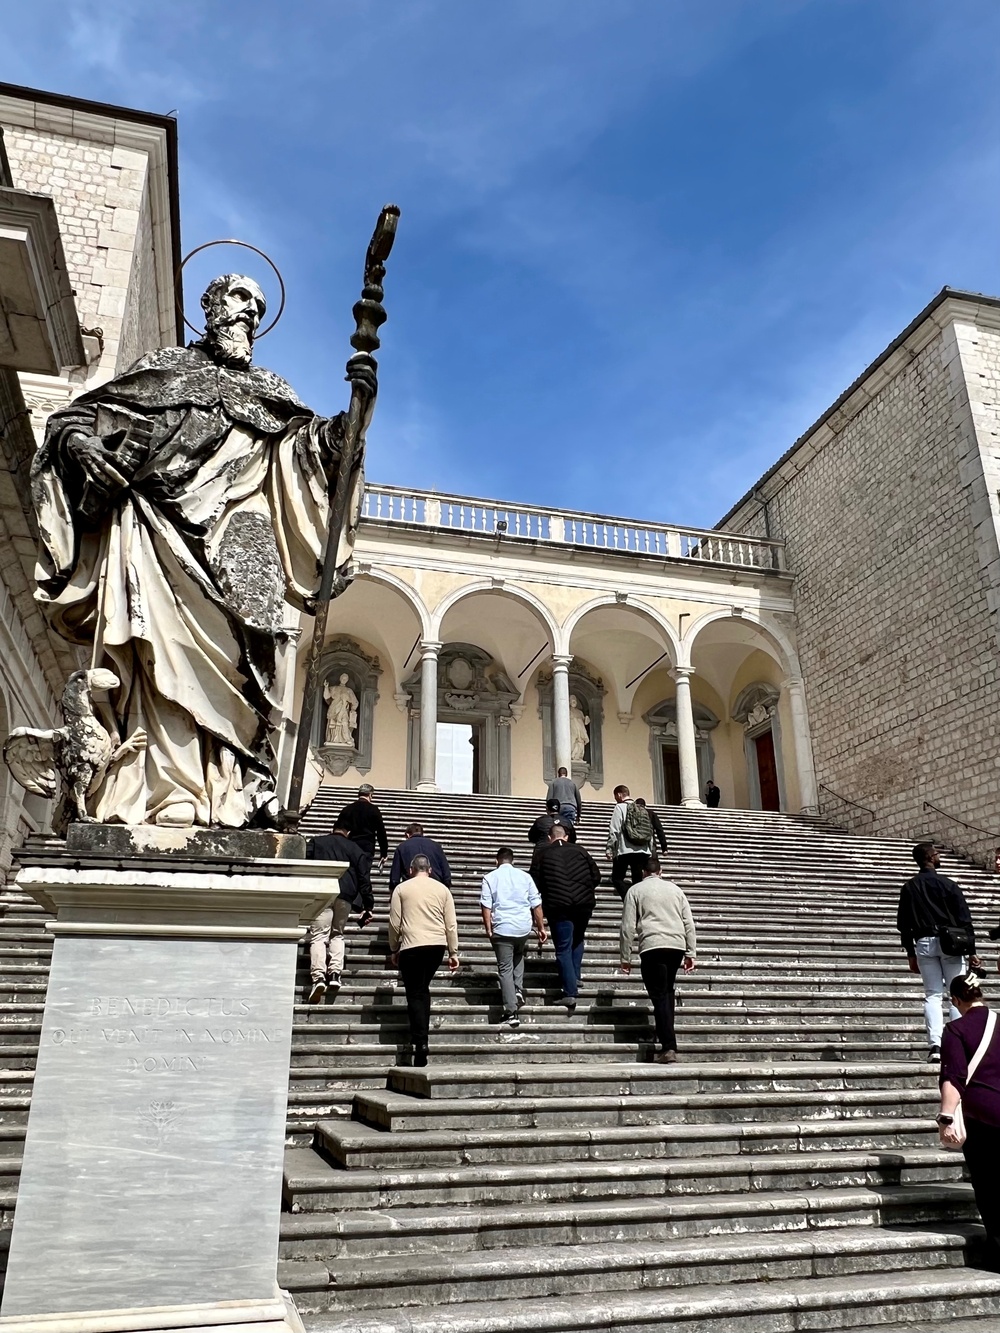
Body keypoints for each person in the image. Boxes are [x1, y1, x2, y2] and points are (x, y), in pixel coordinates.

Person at [29, 273, 373, 828]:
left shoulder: (272, 392)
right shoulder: (166, 369)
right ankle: (170, 789)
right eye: (238, 298)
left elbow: (310, 454)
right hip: (160, 532)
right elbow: (74, 419)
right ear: (210, 304)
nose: (248, 312)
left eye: (258, 305)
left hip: (244, 549)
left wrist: (350, 423)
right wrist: (81, 444)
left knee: (256, 669)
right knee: (161, 662)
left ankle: (236, 793)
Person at [897, 842, 982, 1061]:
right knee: (958, 993)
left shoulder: (909, 887)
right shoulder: (948, 884)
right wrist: (972, 950)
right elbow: (964, 919)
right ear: (931, 857)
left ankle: (935, 1046)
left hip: (924, 942)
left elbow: (904, 924)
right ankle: (959, 1044)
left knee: (932, 995)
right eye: (937, 854)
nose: (938, 857)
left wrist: (910, 953)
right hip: (951, 943)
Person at [938, 970, 1000, 1260]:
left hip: (983, 1114)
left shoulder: (956, 1029)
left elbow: (954, 1077)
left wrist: (946, 1118)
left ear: (956, 999)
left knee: (988, 1180)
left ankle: (997, 1247)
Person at [619, 855, 697, 1064]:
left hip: (653, 945)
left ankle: (669, 1046)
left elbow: (627, 926)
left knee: (659, 994)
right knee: (667, 991)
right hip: (676, 945)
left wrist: (625, 957)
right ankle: (667, 1039)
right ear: (660, 871)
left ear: (643, 872)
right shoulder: (675, 890)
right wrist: (691, 952)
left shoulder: (634, 891)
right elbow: (688, 922)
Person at [388, 855, 460, 1067]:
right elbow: (451, 924)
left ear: (411, 869)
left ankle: (420, 1042)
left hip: (412, 944)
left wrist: (394, 947)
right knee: (422, 989)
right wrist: (453, 952)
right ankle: (421, 1040)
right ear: (429, 869)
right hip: (436, 945)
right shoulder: (442, 890)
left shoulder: (401, 889)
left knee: (415, 992)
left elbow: (394, 922)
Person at [530, 823, 601, 1013]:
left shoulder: (542, 854)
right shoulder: (581, 851)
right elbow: (596, 876)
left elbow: (534, 882)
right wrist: (584, 890)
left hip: (557, 905)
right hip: (584, 904)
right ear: (566, 836)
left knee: (562, 947)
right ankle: (575, 976)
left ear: (549, 838)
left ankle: (570, 992)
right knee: (577, 940)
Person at [480, 847, 547, 1026]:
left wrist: (488, 928)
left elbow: (486, 905)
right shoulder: (525, 877)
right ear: (513, 860)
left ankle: (511, 1011)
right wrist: (541, 927)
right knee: (518, 955)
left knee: (504, 969)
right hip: (523, 927)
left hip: (502, 927)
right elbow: (536, 904)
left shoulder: (490, 877)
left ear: (497, 861)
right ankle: (517, 988)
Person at [304, 825, 370, 1002]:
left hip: (321, 893)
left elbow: (304, 862)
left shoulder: (317, 842)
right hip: (345, 895)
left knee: (318, 936)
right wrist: (367, 904)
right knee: (337, 934)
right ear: (348, 832)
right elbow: (364, 877)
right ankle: (334, 974)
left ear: (333, 829)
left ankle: (318, 977)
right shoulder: (355, 849)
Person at [336, 783, 389, 909]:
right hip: (366, 847)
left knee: (349, 872)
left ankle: (346, 896)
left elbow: (338, 828)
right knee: (363, 873)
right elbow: (381, 832)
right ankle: (358, 901)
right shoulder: (374, 810)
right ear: (370, 795)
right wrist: (384, 853)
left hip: (349, 845)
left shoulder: (347, 809)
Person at [606, 785, 653, 900]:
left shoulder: (620, 807)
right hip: (643, 850)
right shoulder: (641, 808)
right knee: (637, 881)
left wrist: (610, 848)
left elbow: (614, 830)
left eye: (615, 796)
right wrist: (650, 849)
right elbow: (649, 830)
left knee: (617, 878)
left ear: (619, 795)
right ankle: (638, 903)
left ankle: (629, 899)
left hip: (624, 850)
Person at [388, 822, 452, 893]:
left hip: (412, 889)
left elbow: (394, 878)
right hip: (435, 888)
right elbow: (446, 873)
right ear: (422, 833)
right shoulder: (436, 846)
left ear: (407, 835)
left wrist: (393, 893)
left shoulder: (401, 847)